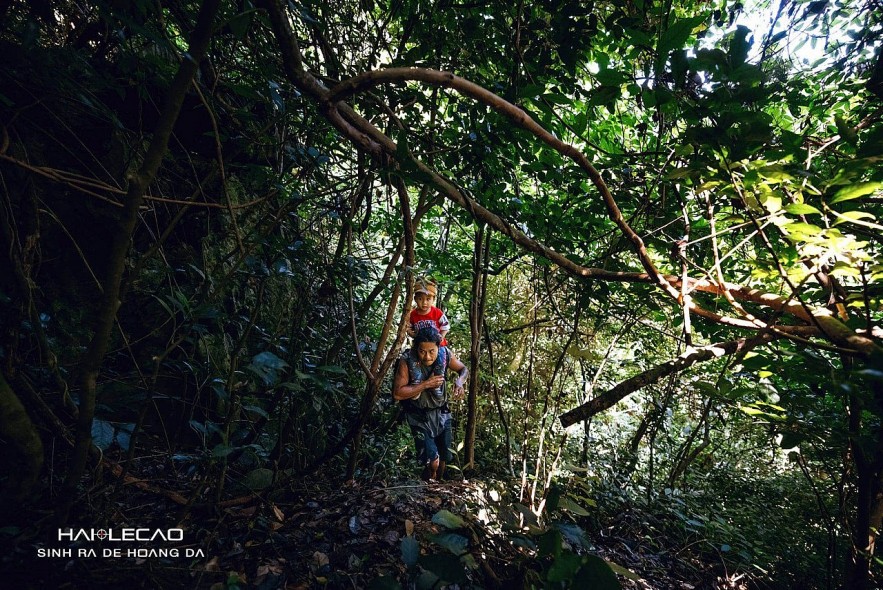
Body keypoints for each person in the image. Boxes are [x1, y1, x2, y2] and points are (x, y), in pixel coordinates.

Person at [393, 326, 467, 482]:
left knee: (444, 457)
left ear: (438, 347)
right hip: (419, 416)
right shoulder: (406, 361)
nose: (427, 357)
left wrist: (459, 382)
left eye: (431, 351)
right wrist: (425, 385)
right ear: (416, 348)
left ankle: (435, 487)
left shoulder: (445, 354)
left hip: (442, 413)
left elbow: (463, 369)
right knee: (432, 460)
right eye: (422, 351)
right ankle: (427, 485)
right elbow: (398, 393)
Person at [407, 276, 450, 347]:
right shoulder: (412, 314)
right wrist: (414, 335)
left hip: (438, 346)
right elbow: (408, 328)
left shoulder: (437, 313)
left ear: (433, 299)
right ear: (415, 299)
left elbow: (446, 326)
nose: (424, 303)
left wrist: (441, 337)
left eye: (428, 299)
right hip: (420, 347)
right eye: (420, 299)